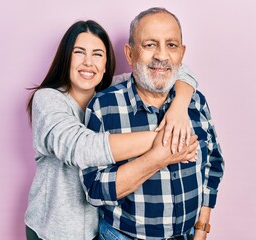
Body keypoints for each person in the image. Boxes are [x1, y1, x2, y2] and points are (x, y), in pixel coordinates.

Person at [24, 20, 199, 240]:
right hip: (53, 232)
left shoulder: (111, 92)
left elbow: (177, 70)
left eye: (97, 54)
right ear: (66, 58)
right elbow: (81, 148)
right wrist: (166, 142)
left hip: (101, 231)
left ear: (106, 64)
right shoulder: (48, 99)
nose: (88, 63)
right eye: (79, 52)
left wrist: (178, 109)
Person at [80, 8, 224, 240]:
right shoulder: (104, 106)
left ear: (182, 53)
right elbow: (95, 190)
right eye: (149, 45)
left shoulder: (195, 102)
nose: (162, 56)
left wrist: (202, 227)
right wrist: (160, 156)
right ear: (129, 54)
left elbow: (213, 165)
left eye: (171, 45)